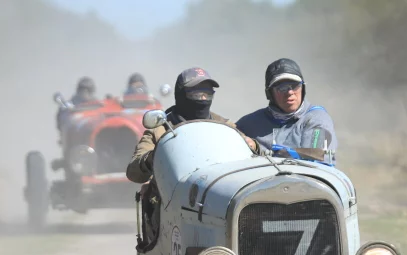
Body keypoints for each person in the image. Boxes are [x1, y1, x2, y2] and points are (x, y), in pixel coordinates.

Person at [126, 67, 258, 184]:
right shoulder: (161, 130)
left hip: (218, 197)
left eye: (207, 93)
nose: (202, 99)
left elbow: (259, 158)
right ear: (181, 94)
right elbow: (133, 173)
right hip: (173, 200)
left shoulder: (225, 127)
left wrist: (253, 145)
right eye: (197, 93)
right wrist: (154, 157)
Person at [236, 58, 337, 163]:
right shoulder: (249, 123)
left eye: (295, 86)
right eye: (282, 88)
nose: (290, 92)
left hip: (306, 178)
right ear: (270, 94)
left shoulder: (317, 118)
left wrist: (259, 150)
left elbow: (319, 157)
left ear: (303, 87)